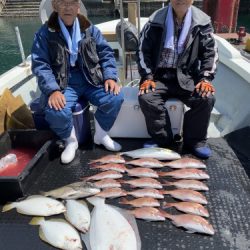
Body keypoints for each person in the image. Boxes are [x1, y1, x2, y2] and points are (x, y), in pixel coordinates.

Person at [32, 0, 124, 164]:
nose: (68, 7)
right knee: (55, 109)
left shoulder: (90, 29)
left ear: (78, 7)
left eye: (72, 2)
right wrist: (53, 90)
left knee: (115, 97)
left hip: (91, 78)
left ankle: (101, 134)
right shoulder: (45, 33)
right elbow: (41, 65)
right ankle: (70, 140)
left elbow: (106, 54)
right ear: (55, 6)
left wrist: (109, 76)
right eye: (63, 3)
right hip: (63, 83)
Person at [137, 0, 218, 159]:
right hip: (158, 75)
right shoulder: (154, 21)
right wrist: (147, 76)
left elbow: (210, 53)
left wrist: (205, 79)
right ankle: (162, 140)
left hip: (187, 76)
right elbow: (142, 50)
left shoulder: (202, 23)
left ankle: (195, 141)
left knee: (206, 99)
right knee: (146, 97)